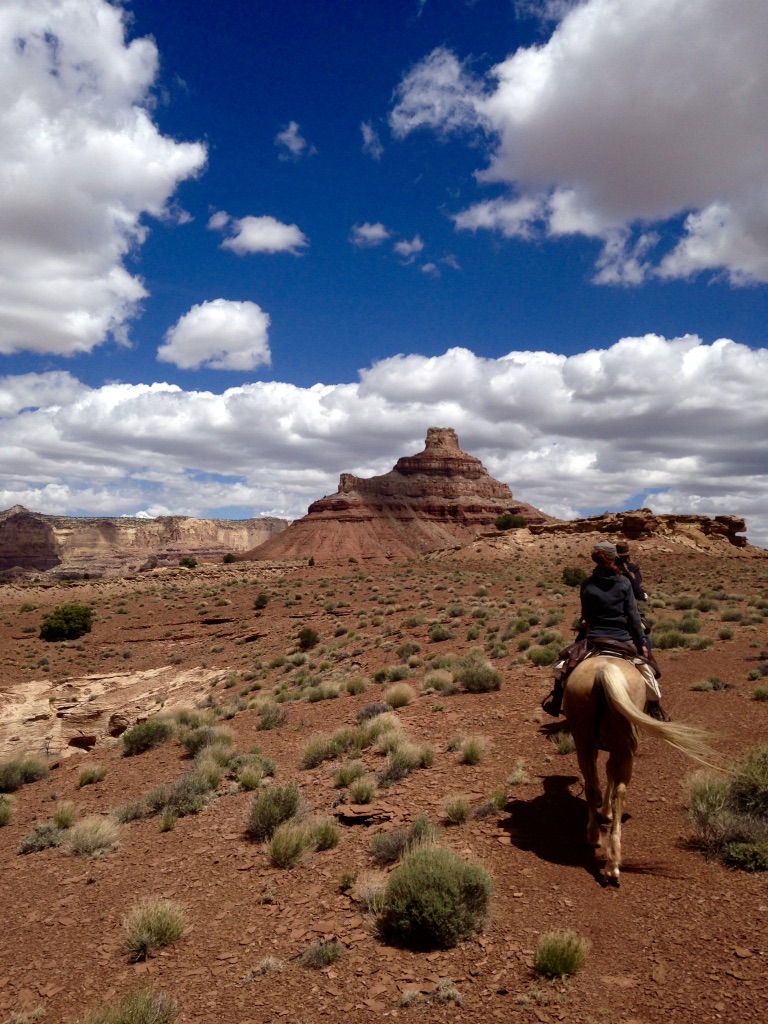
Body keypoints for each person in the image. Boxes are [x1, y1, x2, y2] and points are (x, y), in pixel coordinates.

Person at [542, 540, 667, 720]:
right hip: (622, 636)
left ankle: (556, 702)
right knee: (648, 669)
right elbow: (633, 616)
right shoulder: (624, 582)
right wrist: (641, 643)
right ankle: (655, 708)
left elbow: (586, 615)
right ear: (613, 558)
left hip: (594, 636)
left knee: (564, 665)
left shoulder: (586, 584)